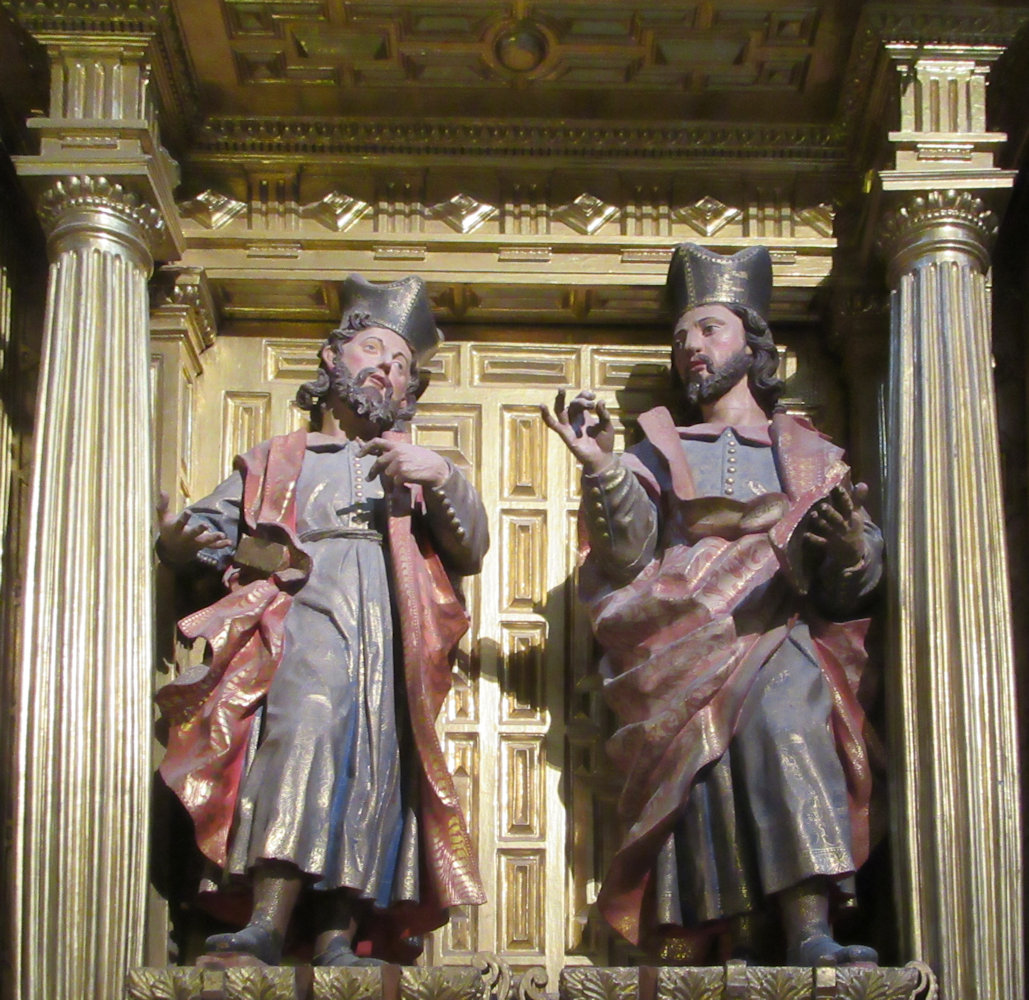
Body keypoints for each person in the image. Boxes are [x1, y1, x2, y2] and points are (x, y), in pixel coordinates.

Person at [542, 244, 882, 966]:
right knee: (700, 772)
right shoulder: (656, 449)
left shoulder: (807, 452)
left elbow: (847, 582)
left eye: (708, 329)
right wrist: (603, 465)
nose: (691, 348)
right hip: (683, 633)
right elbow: (627, 554)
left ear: (753, 341)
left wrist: (851, 548)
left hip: (773, 624)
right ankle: (717, 935)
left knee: (790, 728)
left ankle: (808, 928)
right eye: (681, 337)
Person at [155, 274, 488, 967]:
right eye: (373, 349)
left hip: (388, 632)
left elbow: (471, 547)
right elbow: (213, 528)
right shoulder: (282, 457)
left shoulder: (414, 467)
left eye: (401, 365)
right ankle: (268, 923)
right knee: (300, 737)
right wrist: (185, 543)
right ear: (333, 360)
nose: (386, 370)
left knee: (371, 766)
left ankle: (340, 933)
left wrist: (441, 477)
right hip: (304, 613)